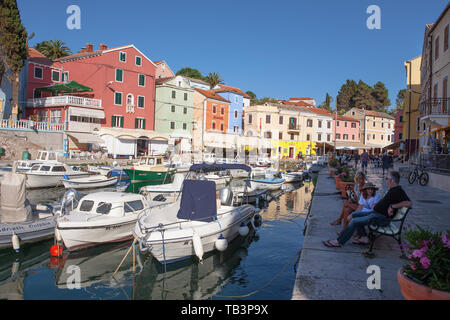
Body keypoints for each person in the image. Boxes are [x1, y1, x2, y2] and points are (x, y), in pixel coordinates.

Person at [323, 171, 412, 247]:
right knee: (354, 215)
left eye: (387, 178)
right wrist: (391, 206)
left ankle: (339, 241)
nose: (386, 180)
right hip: (376, 213)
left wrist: (393, 206)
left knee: (354, 221)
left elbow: (409, 203)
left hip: (381, 218)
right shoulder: (392, 190)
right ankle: (364, 238)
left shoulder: (398, 190)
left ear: (391, 180)